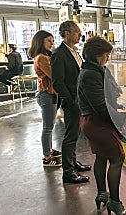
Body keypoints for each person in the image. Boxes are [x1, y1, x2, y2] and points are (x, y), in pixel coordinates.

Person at [78, 37, 126, 215]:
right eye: (106, 55)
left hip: (91, 122)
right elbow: (100, 106)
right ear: (97, 55)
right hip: (98, 124)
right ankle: (115, 203)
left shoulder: (92, 70)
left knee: (101, 157)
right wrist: (120, 117)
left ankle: (102, 194)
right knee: (117, 159)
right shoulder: (91, 74)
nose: (108, 58)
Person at [51, 20, 91, 183]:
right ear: (67, 33)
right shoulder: (59, 54)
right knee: (70, 136)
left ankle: (73, 162)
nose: (79, 35)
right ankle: (68, 171)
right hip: (72, 101)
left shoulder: (74, 51)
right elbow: (57, 82)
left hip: (80, 99)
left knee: (75, 134)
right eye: (76, 32)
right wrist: (70, 101)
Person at [28, 30, 62, 167]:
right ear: (40, 41)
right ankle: (47, 157)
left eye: (53, 41)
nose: (52, 44)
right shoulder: (42, 58)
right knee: (47, 127)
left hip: (48, 94)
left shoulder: (44, 56)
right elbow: (54, 75)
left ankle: (49, 150)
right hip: (46, 94)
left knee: (50, 125)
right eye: (49, 41)